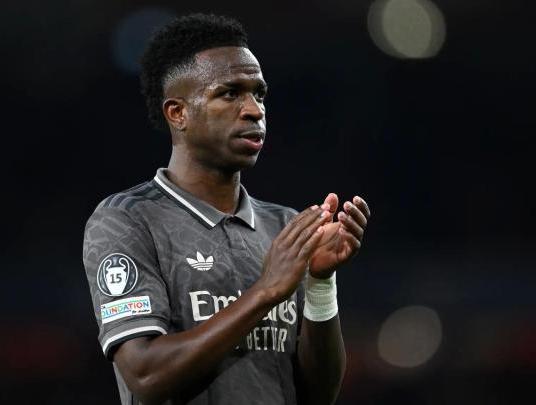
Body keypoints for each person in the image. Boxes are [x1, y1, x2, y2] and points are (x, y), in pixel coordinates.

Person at [82, 13, 370, 405]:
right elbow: (146, 375)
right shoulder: (128, 220)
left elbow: (317, 395)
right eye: (230, 94)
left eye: (259, 94)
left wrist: (321, 282)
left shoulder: (284, 227)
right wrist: (266, 292)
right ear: (178, 113)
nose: (254, 110)